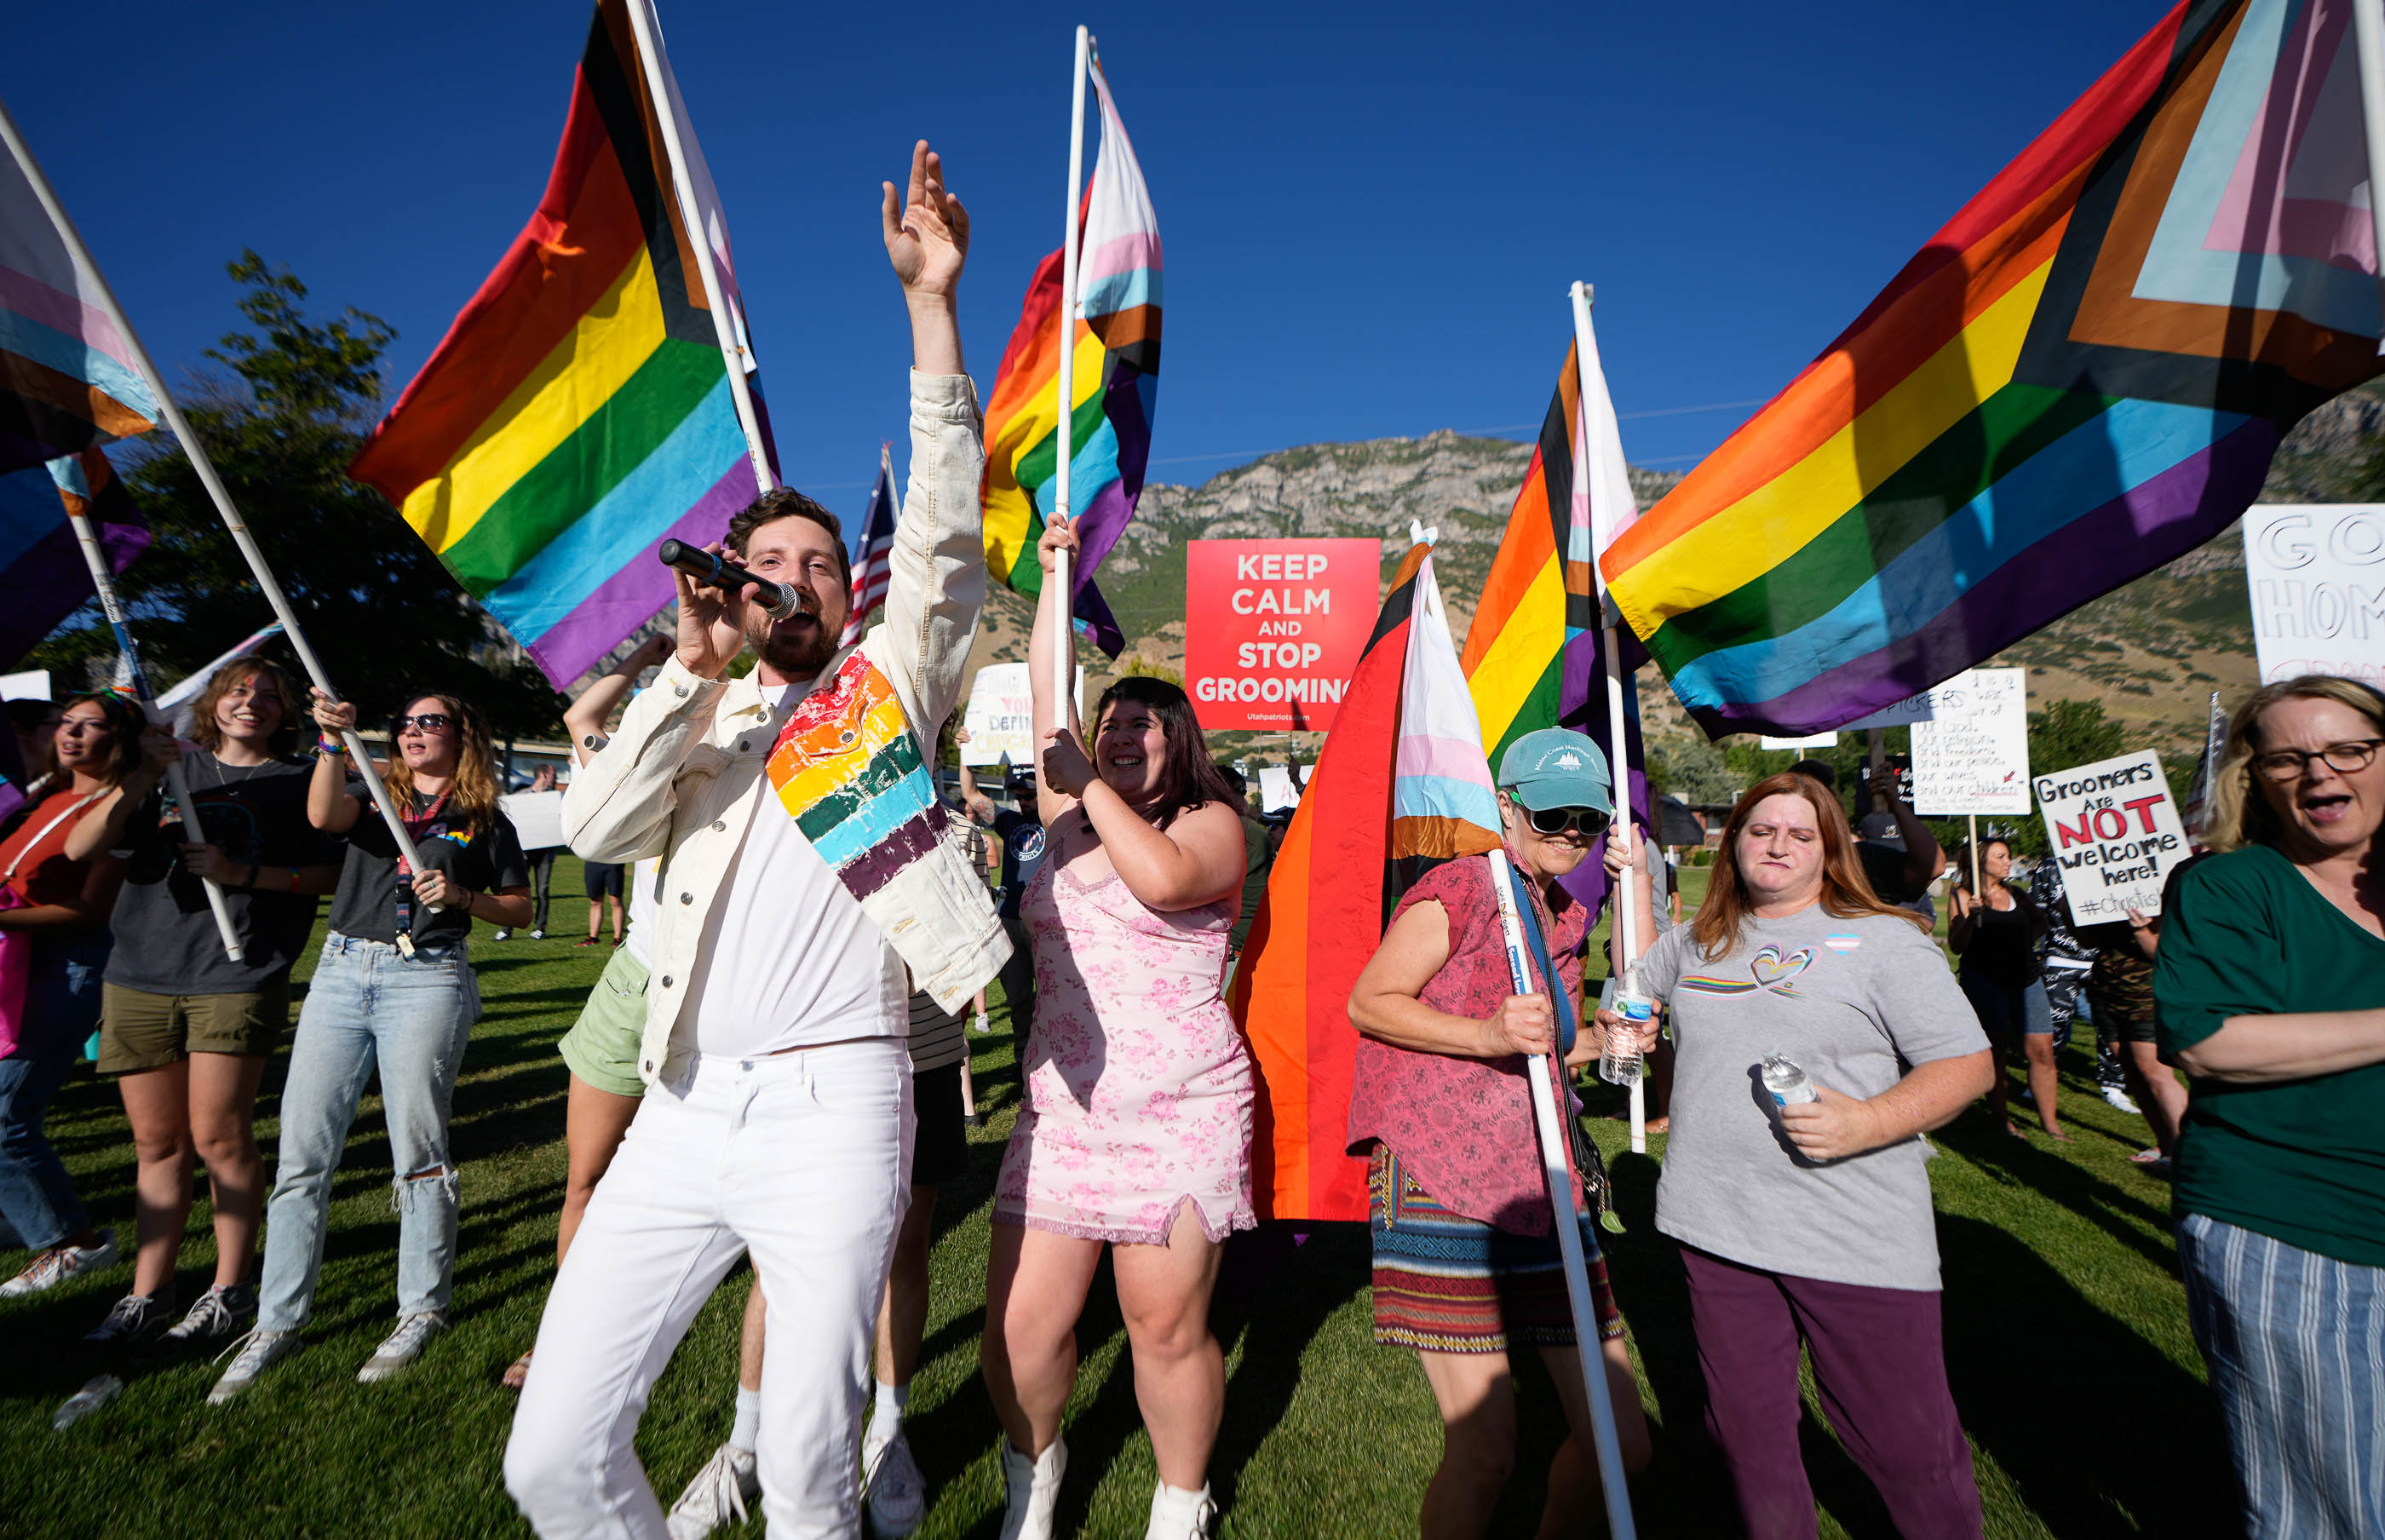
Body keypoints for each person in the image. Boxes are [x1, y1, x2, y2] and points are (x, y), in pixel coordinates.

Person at [503, 141, 1007, 1538]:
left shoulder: (884, 690)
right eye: (762, 562)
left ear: (848, 594)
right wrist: (685, 667)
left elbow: (948, 541)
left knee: (804, 1478)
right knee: (550, 1457)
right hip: (681, 1101)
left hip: (839, 1104)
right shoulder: (704, 720)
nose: (788, 579)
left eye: (816, 564)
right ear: (728, 585)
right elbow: (599, 830)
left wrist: (930, 310)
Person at [1602, 771, 1992, 1539]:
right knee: (1747, 1444)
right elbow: (1634, 987)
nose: (1777, 844)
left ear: (1830, 849)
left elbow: (1968, 1065)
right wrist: (1634, 1012)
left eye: (1800, 834)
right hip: (1715, 1231)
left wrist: (1869, 1121)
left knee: (1907, 1449)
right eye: (1761, 829)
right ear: (1734, 842)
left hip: (1853, 1235)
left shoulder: (1885, 940)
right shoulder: (1699, 941)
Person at [978, 521, 1254, 1540]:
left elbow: (1166, 880)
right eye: (1111, 723)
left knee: (1165, 1326)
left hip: (1179, 1113)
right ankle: (1033, 1483)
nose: (1121, 732)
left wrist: (1085, 779)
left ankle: (1180, 1504)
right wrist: (1056, 574)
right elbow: (1052, 695)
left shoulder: (1210, 825)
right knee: (1019, 1330)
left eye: (1144, 723)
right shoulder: (1067, 818)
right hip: (1064, 1117)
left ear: (1178, 743)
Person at [1344, 728, 1655, 1540]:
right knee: (1485, 1453)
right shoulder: (1462, 887)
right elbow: (1371, 1001)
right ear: (1507, 807)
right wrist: (1483, 1035)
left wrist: (1606, 1043)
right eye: (1553, 818)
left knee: (1624, 1447)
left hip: (1542, 1179)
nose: (1571, 836)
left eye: (1587, 820)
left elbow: (1548, 1041)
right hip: (1440, 1175)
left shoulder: (1565, 912)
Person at [207, 687, 531, 1400]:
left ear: (461, 735)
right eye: (407, 722)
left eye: (432, 721)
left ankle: (422, 1309)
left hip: (428, 976)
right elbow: (323, 815)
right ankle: (277, 1320)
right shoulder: (367, 792)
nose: (415, 731)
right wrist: (330, 741)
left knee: (418, 1151)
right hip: (343, 970)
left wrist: (466, 899)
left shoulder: (484, 819)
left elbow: (521, 904)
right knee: (302, 1153)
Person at [2152, 675, 2385, 1539]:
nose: (2318, 772)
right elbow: (2210, 1041)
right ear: (2257, 777)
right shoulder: (2232, 886)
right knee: (2337, 1506)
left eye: (2348, 749)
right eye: (2287, 756)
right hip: (2301, 1229)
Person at [65, 660, 342, 1348]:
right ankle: (147, 1292)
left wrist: (240, 873)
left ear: (285, 714)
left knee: (220, 1138)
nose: (254, 703)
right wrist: (137, 775)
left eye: (271, 697)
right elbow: (81, 847)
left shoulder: (299, 780)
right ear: (214, 702)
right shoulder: (165, 770)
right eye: (242, 691)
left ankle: (228, 1288)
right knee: (156, 1144)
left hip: (235, 975)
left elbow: (331, 875)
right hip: (139, 974)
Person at [501, 634, 671, 1392]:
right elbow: (582, 715)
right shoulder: (632, 766)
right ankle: (564, 1336)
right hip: (635, 988)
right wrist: (648, 658)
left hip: (731, 999)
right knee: (588, 1179)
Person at [0, 691, 140, 1296]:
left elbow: (88, 911)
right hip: (15, 960)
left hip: (65, 967)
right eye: (67, 723)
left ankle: (72, 1243)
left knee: (7, 1112)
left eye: (91, 726)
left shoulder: (120, 808)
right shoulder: (44, 796)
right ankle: (32, 1223)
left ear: (119, 739)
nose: (72, 734)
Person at [1949, 836, 2061, 1140]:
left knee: (2042, 1051)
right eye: (2001, 856)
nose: (2008, 862)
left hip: (2027, 978)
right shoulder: (1962, 895)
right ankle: (2003, 1122)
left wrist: (2025, 946)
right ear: (1981, 861)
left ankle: (2050, 1123)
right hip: (1986, 980)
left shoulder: (2016, 893)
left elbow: (2040, 923)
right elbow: (1957, 945)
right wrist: (1973, 918)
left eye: (2008, 856)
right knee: (1996, 1052)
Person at [960, 753, 1047, 1036]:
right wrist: (966, 753)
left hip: (1044, 919)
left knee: (1051, 997)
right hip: (1009, 918)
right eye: (1020, 795)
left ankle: (1052, 1061)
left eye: (1030, 794)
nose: (1024, 800)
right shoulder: (1008, 821)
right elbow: (970, 794)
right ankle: (1024, 1062)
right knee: (1018, 999)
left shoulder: (1057, 819)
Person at [498, 761, 564, 940]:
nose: (556, 779)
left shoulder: (554, 799)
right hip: (524, 853)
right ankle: (506, 929)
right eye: (553, 775)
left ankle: (540, 928)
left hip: (545, 854)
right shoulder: (522, 797)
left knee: (543, 891)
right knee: (515, 890)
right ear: (544, 776)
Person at [578, 859, 625, 947]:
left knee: (616, 900)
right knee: (595, 901)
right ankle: (593, 937)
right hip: (593, 861)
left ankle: (617, 939)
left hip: (614, 861)